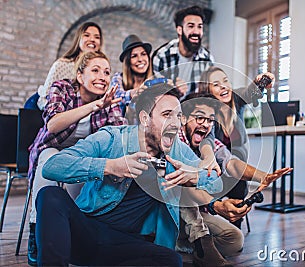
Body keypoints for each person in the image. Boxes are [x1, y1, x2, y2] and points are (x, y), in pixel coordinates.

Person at [35, 84, 223, 266]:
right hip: (85, 234)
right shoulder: (112, 138)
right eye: (167, 115)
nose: (175, 123)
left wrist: (194, 177)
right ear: (144, 119)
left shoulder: (176, 151)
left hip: (124, 244)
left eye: (178, 116)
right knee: (50, 195)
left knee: (171, 260)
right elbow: (52, 166)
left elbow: (216, 181)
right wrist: (109, 166)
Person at [27, 51, 126, 266]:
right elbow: (52, 124)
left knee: (85, 182)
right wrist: (94, 106)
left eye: (107, 72)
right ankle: (37, 231)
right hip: (52, 148)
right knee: (48, 163)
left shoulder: (111, 98)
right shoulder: (62, 88)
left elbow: (117, 137)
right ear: (80, 76)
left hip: (82, 156)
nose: (103, 76)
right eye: (96, 70)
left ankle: (73, 235)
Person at [175, 93, 291, 265]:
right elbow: (182, 188)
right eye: (200, 117)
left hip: (197, 213)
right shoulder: (173, 139)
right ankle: (193, 247)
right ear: (183, 118)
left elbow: (231, 163)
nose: (205, 125)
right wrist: (216, 205)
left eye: (210, 120)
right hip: (171, 210)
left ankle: (185, 247)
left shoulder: (208, 142)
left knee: (235, 240)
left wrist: (263, 176)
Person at [198, 66, 275, 229]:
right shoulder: (206, 112)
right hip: (214, 171)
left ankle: (235, 226)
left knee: (239, 180)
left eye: (225, 81)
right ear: (207, 89)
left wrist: (261, 81)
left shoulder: (236, 100)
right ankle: (210, 227)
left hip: (235, 169)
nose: (224, 86)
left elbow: (251, 92)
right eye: (216, 84)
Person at [37, 22, 103, 110]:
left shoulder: (102, 69)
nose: (92, 39)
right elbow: (44, 99)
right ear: (78, 39)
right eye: (86, 35)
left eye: (97, 37)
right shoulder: (61, 65)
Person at [152, 5, 213, 98]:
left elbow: (207, 94)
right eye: (191, 26)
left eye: (199, 27)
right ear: (179, 30)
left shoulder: (207, 59)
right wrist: (174, 91)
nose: (196, 32)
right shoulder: (162, 56)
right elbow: (156, 94)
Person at [112, 34, 154, 123]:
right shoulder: (118, 78)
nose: (140, 59)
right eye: (134, 56)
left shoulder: (155, 80)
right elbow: (117, 97)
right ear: (127, 61)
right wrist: (133, 93)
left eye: (143, 54)